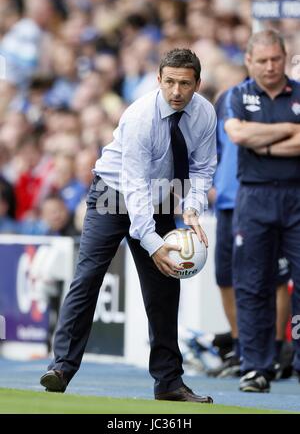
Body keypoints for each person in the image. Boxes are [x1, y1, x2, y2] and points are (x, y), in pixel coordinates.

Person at [40, 48, 217, 403]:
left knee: (165, 287)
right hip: (114, 192)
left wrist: (193, 209)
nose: (176, 91)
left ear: (197, 84)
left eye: (184, 83)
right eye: (169, 82)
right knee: (89, 275)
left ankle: (169, 383)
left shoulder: (205, 113)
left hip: (165, 193)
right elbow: (134, 187)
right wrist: (152, 243)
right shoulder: (139, 117)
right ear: (158, 80)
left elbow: (201, 168)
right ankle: (61, 367)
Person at [224, 29, 300, 393]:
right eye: (263, 60)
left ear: (285, 58)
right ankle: (256, 366)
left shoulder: (299, 92)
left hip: (296, 195)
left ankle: (296, 360)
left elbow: (252, 137)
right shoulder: (238, 95)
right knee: (252, 285)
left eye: (277, 59)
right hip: (254, 198)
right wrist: (288, 131)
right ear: (249, 61)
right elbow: (238, 135)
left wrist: (263, 142)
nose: (271, 67)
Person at [210, 87, 291, 378]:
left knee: (276, 276)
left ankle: (279, 347)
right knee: (227, 276)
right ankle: (240, 346)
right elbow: (215, 148)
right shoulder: (227, 99)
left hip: (265, 193)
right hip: (229, 202)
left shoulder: (276, 102)